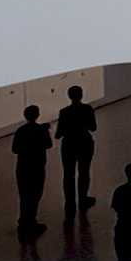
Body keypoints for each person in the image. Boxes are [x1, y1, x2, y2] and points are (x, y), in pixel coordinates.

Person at [9, 104, 52, 236]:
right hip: (37, 166)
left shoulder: (20, 130)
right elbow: (48, 145)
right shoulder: (41, 130)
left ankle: (23, 222)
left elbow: (15, 149)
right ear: (37, 115)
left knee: (24, 195)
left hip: (22, 167)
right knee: (35, 195)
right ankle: (31, 222)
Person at [55, 84, 97, 214]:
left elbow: (58, 134)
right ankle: (83, 200)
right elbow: (93, 127)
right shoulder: (87, 109)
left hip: (69, 144)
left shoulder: (64, 112)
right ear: (82, 95)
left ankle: (69, 202)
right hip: (85, 142)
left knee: (68, 174)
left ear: (69, 96)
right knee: (84, 172)